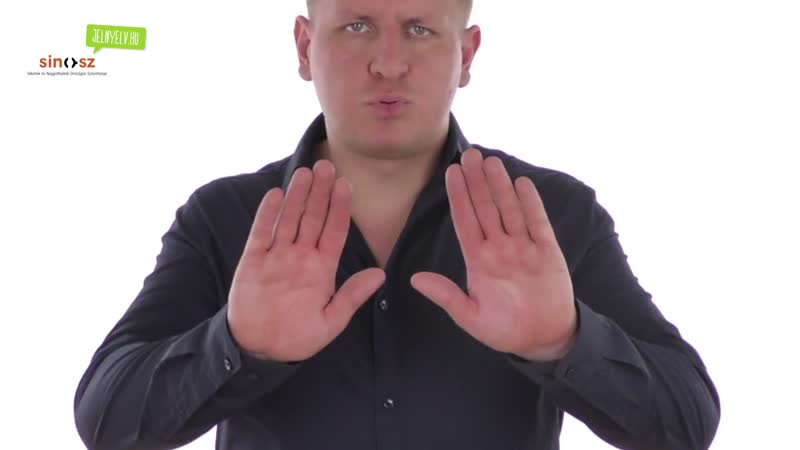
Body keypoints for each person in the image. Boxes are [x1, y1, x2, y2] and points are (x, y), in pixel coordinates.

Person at [73, 0, 720, 449]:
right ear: (305, 46)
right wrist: (237, 345)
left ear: (467, 54)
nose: (388, 62)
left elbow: (687, 422)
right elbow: (105, 420)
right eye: (357, 25)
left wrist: (564, 342)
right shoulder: (224, 217)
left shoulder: (551, 214)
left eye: (419, 29)